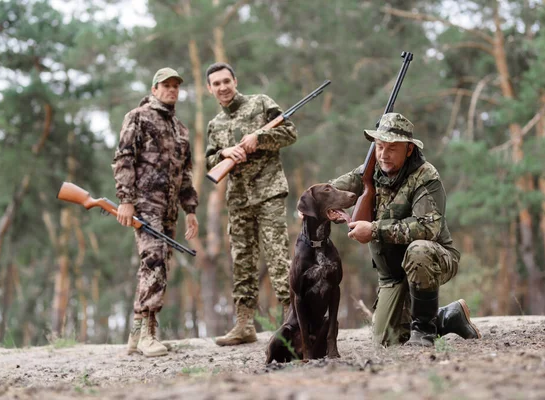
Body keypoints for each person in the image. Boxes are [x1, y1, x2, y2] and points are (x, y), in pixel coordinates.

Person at [331, 113, 481, 347]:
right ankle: (448, 317)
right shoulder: (370, 171)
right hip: (392, 273)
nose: (384, 154)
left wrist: (374, 230)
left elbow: (427, 228)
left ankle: (424, 332)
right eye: (380, 147)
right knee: (387, 341)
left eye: (392, 148)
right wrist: (313, 204)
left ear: (409, 149)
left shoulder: (426, 176)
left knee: (418, 250)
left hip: (433, 257)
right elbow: (333, 190)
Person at [204, 62, 296, 346]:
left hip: (269, 192)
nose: (222, 87)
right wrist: (224, 153)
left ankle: (293, 320)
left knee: (278, 257)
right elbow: (209, 160)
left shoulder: (261, 103)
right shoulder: (215, 124)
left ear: (235, 80)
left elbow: (290, 132)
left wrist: (261, 138)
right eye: (216, 83)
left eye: (226, 81)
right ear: (210, 89)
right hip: (239, 200)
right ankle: (244, 325)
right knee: (242, 261)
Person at [112, 67, 199, 357]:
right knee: (155, 261)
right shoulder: (138, 117)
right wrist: (125, 200)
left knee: (158, 264)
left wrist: (191, 209)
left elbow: (185, 172)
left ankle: (136, 337)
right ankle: (148, 333)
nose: (172, 89)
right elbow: (124, 157)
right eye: (166, 85)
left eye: (176, 85)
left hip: (170, 208)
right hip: (145, 204)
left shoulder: (181, 128)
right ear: (154, 89)